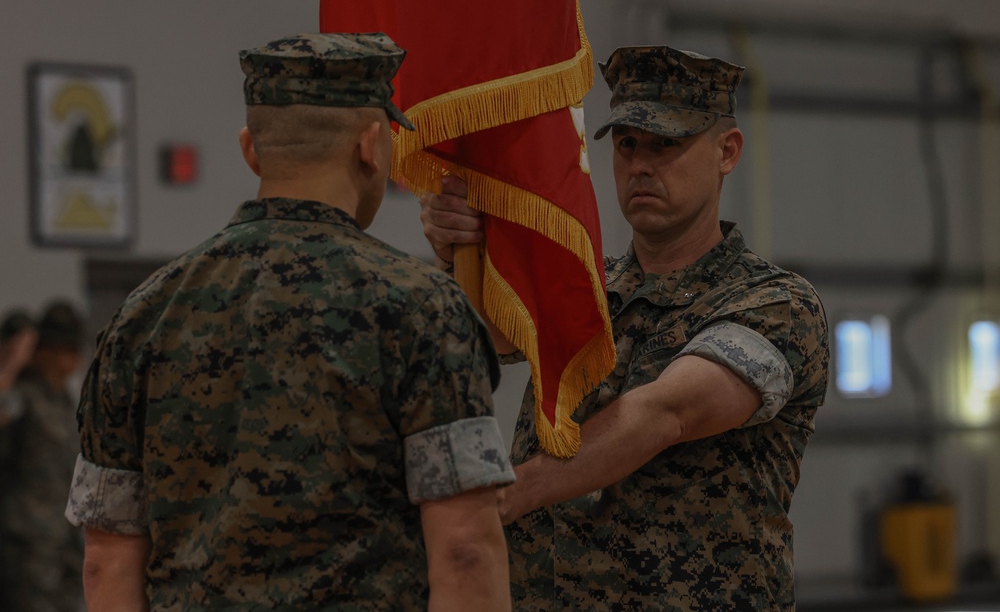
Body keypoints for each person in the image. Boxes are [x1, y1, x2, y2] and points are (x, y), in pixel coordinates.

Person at [65, 32, 514, 612]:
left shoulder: (143, 315)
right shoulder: (418, 307)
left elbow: (106, 562)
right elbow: (465, 550)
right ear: (371, 147)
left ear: (251, 149)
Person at [421, 45, 830, 610]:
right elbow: (477, 342)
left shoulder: (775, 302)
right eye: (628, 144)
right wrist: (456, 252)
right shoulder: (587, 288)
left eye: (667, 144)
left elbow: (667, 413)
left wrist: (511, 493)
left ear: (726, 151)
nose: (641, 164)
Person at [0, 301, 85, 612]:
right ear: (44, 352)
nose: (72, 360)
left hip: (66, 542)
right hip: (28, 545)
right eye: (63, 350)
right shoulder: (23, 395)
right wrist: (11, 363)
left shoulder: (65, 401)